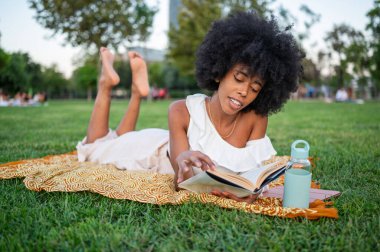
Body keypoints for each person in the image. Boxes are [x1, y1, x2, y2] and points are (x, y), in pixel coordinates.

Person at [76, 11, 302, 203]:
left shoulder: (256, 118)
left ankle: (137, 93)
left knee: (117, 137)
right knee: (96, 145)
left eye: (254, 88)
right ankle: (106, 84)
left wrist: (255, 192)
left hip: (164, 139)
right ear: (218, 72)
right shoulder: (180, 111)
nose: (244, 91)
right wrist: (182, 162)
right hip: (150, 152)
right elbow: (180, 183)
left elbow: (256, 177)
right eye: (239, 78)